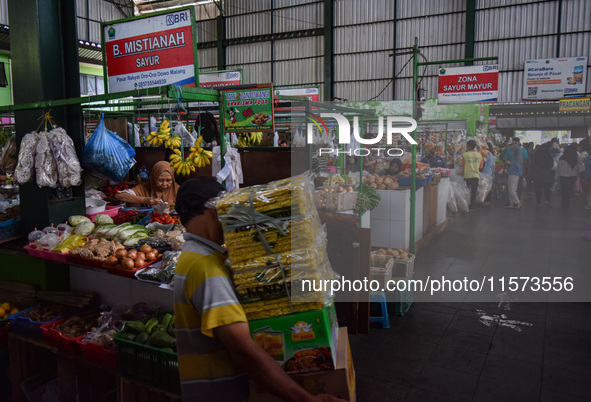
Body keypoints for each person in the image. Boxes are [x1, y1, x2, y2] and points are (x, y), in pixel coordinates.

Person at [173, 177, 345, 402]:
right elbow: (243, 351)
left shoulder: (199, 257)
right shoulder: (205, 268)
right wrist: (306, 399)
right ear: (215, 211)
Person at [503, 137, 528, 210]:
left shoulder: (518, 158)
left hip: (515, 173)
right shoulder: (518, 156)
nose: (512, 151)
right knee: (511, 188)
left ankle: (517, 202)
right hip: (512, 172)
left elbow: (517, 164)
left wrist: (509, 163)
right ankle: (512, 204)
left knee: (512, 189)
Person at [557, 143, 584, 209]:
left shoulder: (562, 158)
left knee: (564, 190)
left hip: (563, 176)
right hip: (572, 176)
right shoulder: (575, 158)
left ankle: (564, 202)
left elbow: (558, 168)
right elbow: (580, 168)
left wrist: (556, 176)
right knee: (569, 190)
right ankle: (567, 202)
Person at [459, 139, 483, 212]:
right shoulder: (479, 155)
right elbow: (481, 167)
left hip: (467, 175)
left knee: (466, 191)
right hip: (475, 176)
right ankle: (471, 207)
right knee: (473, 192)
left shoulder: (465, 155)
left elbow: (462, 164)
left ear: (468, 146)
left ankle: (465, 205)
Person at [532, 141, 554, 208]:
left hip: (538, 172)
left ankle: (538, 201)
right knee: (546, 188)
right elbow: (551, 164)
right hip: (546, 173)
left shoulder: (537, 155)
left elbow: (533, 164)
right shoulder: (548, 155)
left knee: (538, 188)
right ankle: (547, 200)